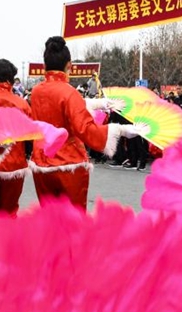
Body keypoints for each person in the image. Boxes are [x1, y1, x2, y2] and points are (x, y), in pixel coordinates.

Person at [29, 36, 139, 208]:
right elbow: (86, 129)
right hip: (69, 165)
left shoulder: (36, 92)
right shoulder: (69, 93)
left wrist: (100, 103)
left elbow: (57, 109)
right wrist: (120, 130)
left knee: (50, 222)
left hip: (42, 165)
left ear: (45, 66)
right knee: (73, 223)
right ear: (69, 65)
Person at [0, 59, 31, 216]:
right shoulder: (21, 104)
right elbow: (30, 135)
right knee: (9, 212)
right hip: (14, 166)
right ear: (9, 79)